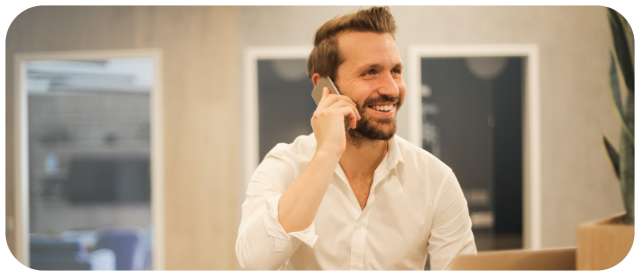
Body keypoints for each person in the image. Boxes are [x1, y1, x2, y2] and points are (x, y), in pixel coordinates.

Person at [235, 6, 477, 270]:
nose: (392, 89)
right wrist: (326, 154)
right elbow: (255, 263)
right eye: (370, 72)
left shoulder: (436, 180)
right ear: (325, 87)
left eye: (395, 70)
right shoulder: (284, 165)